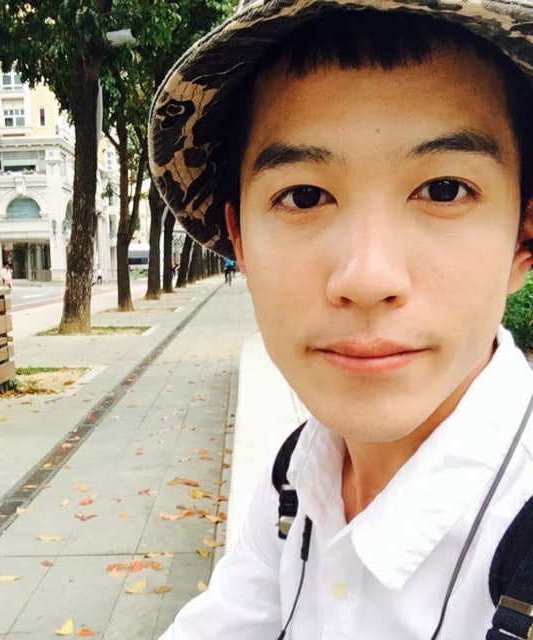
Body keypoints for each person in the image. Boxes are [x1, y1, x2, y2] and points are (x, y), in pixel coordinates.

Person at [148, 1, 533, 638]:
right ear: (240, 241)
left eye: (444, 189)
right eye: (303, 196)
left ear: (523, 237)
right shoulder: (296, 479)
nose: (367, 277)